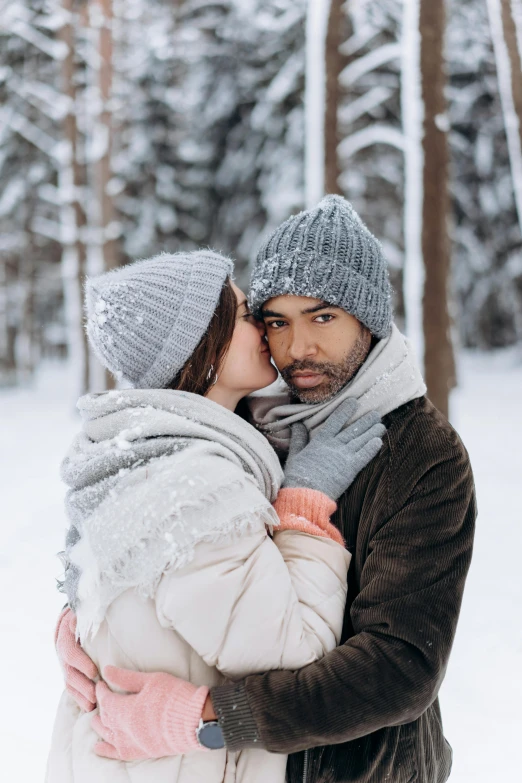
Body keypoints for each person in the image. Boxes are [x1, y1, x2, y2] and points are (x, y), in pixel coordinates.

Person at [57, 196, 477, 783]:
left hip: (363, 768)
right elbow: (153, 525)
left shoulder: (422, 452)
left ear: (370, 317)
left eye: (322, 317)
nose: (297, 347)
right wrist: (91, 619)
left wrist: (206, 718)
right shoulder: (251, 425)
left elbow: (400, 667)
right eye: (275, 320)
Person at [47, 247, 385, 783]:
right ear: (201, 343)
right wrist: (304, 501)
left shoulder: (148, 453)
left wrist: (85, 622)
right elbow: (293, 655)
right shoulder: (193, 485)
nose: (266, 331)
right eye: (247, 315)